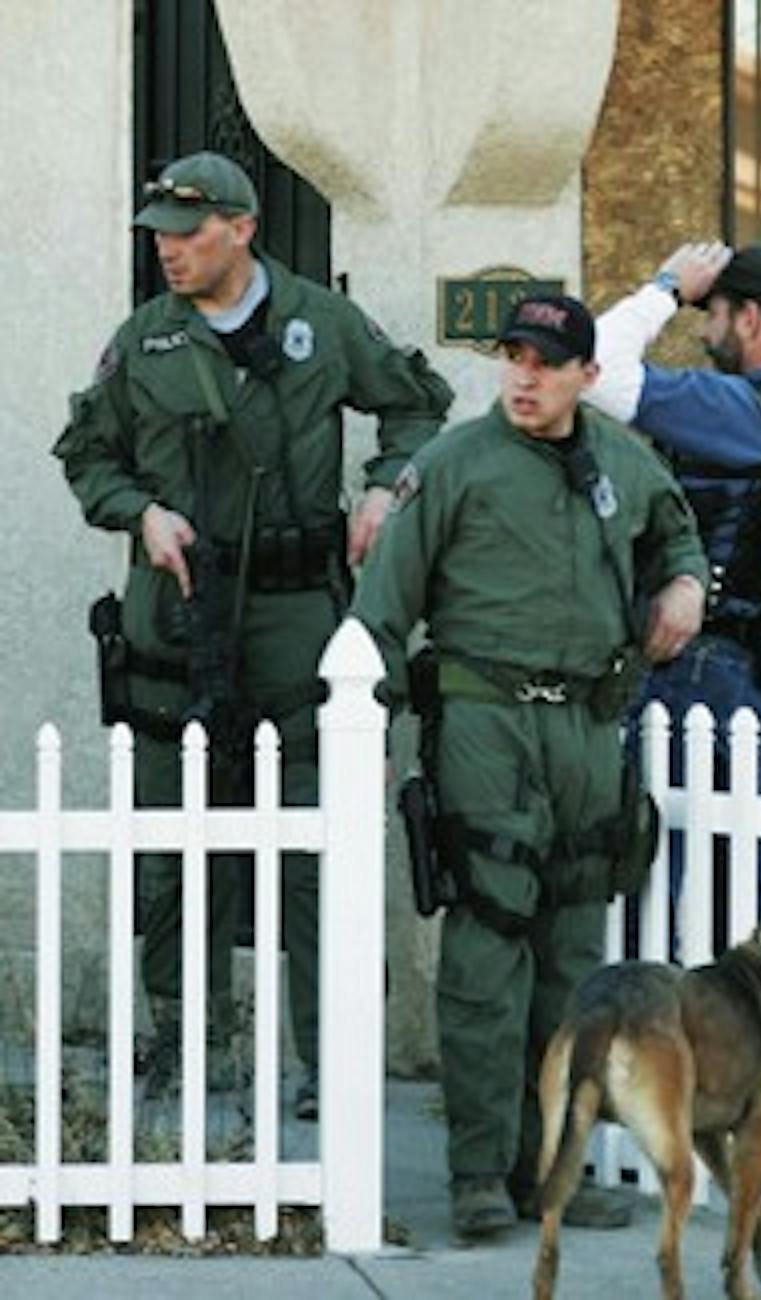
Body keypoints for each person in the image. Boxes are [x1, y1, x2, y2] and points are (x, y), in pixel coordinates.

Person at [52, 150, 453, 1118]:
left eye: (188, 237)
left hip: (296, 620)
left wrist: (383, 486)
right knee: (171, 845)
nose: (169, 255)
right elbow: (86, 454)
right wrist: (138, 511)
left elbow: (416, 405)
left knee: (320, 850)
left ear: (243, 229)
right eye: (159, 239)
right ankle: (192, 1048)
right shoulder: (143, 342)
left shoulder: (323, 323)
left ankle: (329, 1058)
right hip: (177, 621)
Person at [350, 293, 708, 1239]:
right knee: (486, 950)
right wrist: (356, 721)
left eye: (546, 363)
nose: (523, 376)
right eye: (513, 357)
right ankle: (478, 1175)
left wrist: (684, 584)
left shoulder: (623, 463)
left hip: (588, 733)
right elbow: (381, 606)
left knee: (573, 964)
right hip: (485, 722)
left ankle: (551, 1169)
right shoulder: (454, 464)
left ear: (587, 376)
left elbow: (678, 535)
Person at [587, 240, 761, 951]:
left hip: (700, 668)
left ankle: (666, 1049)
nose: (702, 330)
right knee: (742, 895)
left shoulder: (739, 410)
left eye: (709, 314)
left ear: (748, 320)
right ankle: (741, 1050)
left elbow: (594, 372)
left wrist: (665, 285)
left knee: (659, 889)